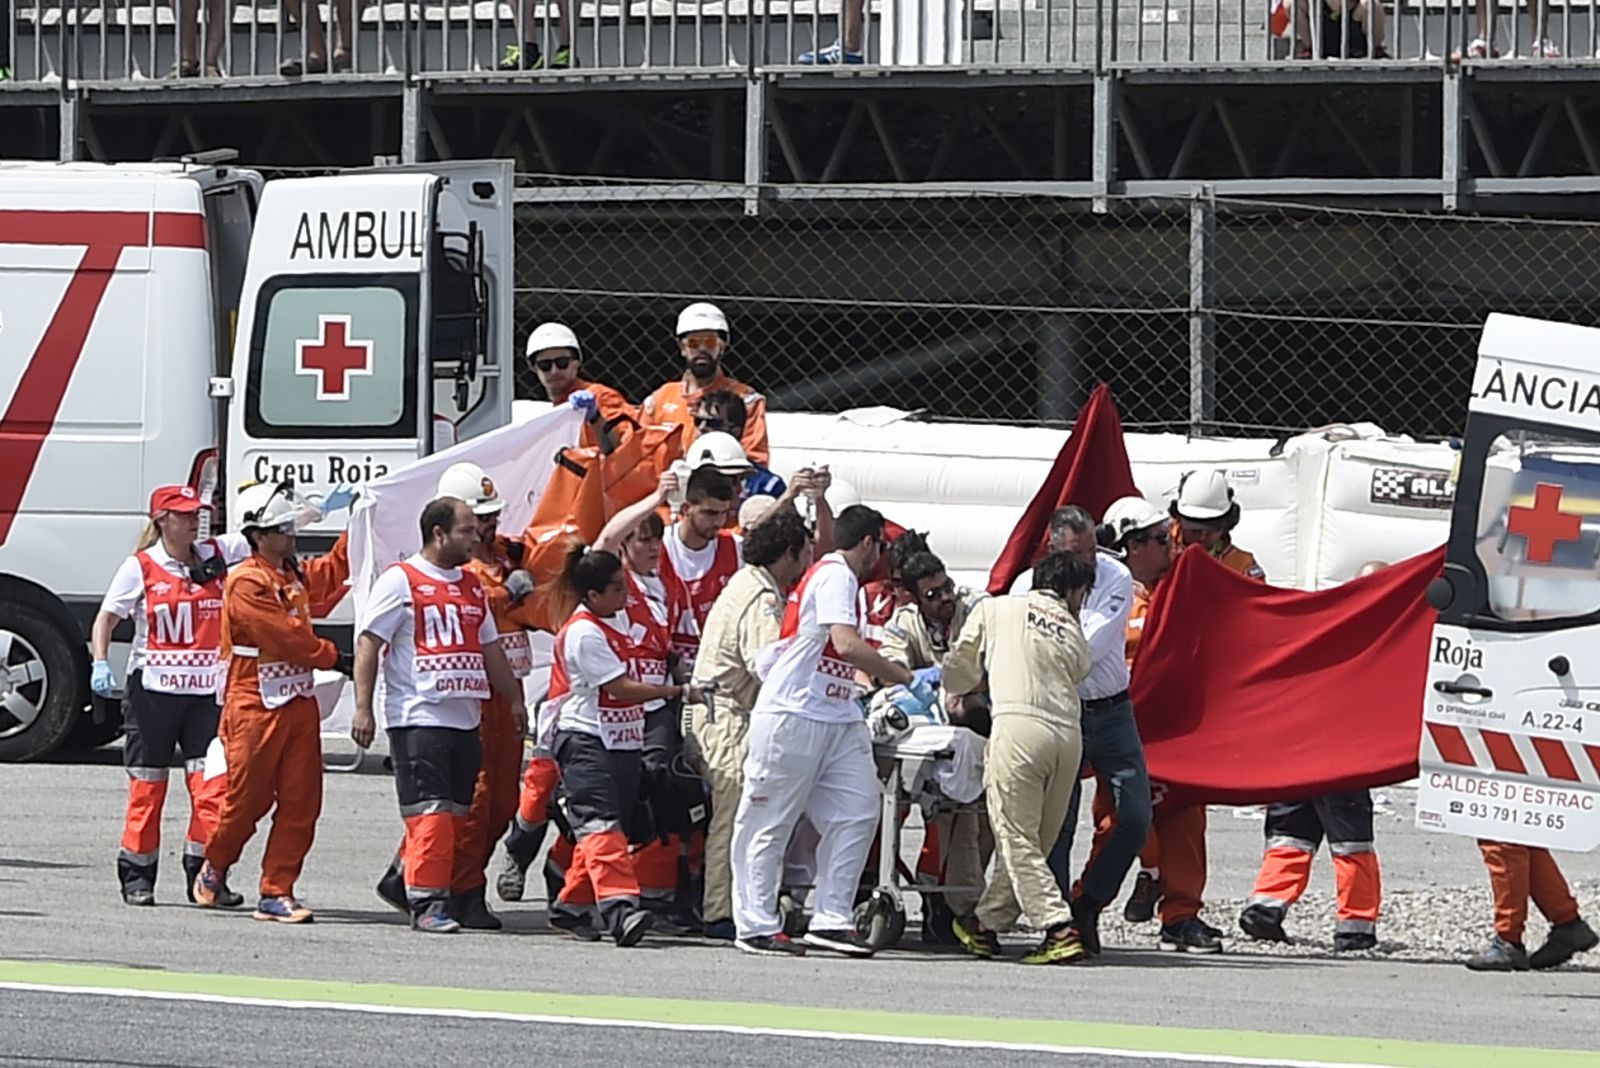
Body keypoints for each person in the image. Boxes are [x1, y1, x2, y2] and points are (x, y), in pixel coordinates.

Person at [729, 505, 931, 958]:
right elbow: (845, 644)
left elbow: (839, 653)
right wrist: (905, 677)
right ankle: (755, 924)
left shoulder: (843, 581)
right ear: (868, 543)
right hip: (794, 713)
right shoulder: (837, 574)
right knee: (769, 820)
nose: (882, 555)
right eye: (880, 545)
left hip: (835, 714)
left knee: (859, 809)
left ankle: (832, 917)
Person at [371, 466, 539, 931]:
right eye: (477, 519)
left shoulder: (504, 557)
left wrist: (518, 697)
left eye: (490, 516)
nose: (488, 526)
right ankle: (456, 891)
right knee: (459, 806)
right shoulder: (442, 573)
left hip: (492, 691)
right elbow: (371, 640)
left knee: (500, 802)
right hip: (449, 701)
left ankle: (412, 876)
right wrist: (508, 592)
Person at [193, 481, 351, 923]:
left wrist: (358, 525)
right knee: (248, 801)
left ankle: (276, 889)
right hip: (253, 703)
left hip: (297, 698)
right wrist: (334, 656)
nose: (292, 534)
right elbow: (283, 636)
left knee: (303, 801)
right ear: (258, 535)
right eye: (282, 528)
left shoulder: (292, 574)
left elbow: (331, 574)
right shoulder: (247, 582)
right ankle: (215, 866)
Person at [91, 485, 251, 907]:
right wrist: (100, 662)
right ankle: (138, 876)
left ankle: (206, 874)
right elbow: (106, 618)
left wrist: (315, 510)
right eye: (182, 515)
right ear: (161, 520)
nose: (192, 520)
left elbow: (263, 532)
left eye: (196, 512)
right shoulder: (140, 566)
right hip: (153, 694)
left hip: (207, 695)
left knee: (211, 788)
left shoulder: (215, 553)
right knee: (148, 787)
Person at [542, 548, 704, 945]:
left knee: (618, 828)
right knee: (600, 825)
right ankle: (621, 910)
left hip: (623, 741)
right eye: (616, 589)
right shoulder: (584, 632)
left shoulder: (620, 621)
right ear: (592, 596)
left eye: (625, 586)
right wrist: (678, 691)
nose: (625, 596)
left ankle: (571, 905)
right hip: (586, 740)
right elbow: (620, 688)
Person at [944, 551, 1097, 965]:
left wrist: (957, 689)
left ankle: (1058, 927)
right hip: (1067, 736)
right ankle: (986, 925)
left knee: (1016, 837)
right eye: (1081, 592)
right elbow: (1082, 669)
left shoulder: (996, 608)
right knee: (1034, 843)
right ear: (1069, 591)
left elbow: (959, 666)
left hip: (1018, 727)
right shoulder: (1071, 628)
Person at [1239, 560, 1386, 953]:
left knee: (1291, 832)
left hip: (1297, 750)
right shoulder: (1384, 640)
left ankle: (1265, 907)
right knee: (1351, 840)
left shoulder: (1325, 623)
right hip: (1342, 757)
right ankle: (1355, 926)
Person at [683, 508, 815, 940]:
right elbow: (768, 665)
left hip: (719, 711)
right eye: (805, 554)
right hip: (727, 719)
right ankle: (720, 910)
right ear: (790, 553)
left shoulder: (746, 583)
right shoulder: (761, 599)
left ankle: (732, 902)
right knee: (736, 814)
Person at [592, 471, 702, 928]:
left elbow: (672, 640)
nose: (653, 549)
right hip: (612, 708)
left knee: (667, 789)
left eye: (658, 541)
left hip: (657, 705)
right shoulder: (612, 578)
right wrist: (656, 497)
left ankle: (659, 890)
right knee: (613, 797)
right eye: (643, 541)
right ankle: (559, 869)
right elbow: (606, 537)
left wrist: (679, 665)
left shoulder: (666, 584)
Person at [1042, 504, 1149, 957]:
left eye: (1090, 549)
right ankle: (1061, 924)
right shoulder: (1032, 582)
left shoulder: (1115, 576)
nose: (1087, 560)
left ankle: (1090, 898)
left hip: (1111, 711)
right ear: (1054, 546)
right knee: (1058, 824)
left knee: (1135, 815)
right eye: (1076, 552)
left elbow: (1089, 645)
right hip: (1062, 710)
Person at [879, 549, 993, 938]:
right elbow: (891, 672)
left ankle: (951, 897)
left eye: (946, 588)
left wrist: (957, 683)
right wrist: (931, 680)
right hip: (933, 732)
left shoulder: (977, 607)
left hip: (982, 722)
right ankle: (937, 896)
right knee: (926, 808)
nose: (945, 598)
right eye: (933, 594)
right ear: (913, 597)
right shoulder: (903, 623)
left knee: (981, 819)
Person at [639, 302, 770, 466]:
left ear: (722, 347)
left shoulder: (746, 400)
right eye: (693, 343)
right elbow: (640, 458)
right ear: (682, 348)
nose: (701, 349)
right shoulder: (658, 400)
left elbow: (756, 463)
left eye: (709, 342)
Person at [659, 467, 744, 673]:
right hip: (664, 669)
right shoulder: (659, 547)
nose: (719, 522)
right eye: (710, 513)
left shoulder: (735, 547)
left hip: (714, 668)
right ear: (687, 508)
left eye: (724, 513)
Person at [527, 321, 631, 454]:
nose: (554, 371)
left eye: (562, 363)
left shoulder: (601, 397)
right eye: (545, 365)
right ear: (534, 368)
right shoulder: (538, 413)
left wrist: (596, 418)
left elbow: (624, 449)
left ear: (577, 363)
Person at [694, 390, 786, 499]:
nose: (701, 428)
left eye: (713, 423)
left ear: (735, 431)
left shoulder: (766, 485)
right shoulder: (683, 473)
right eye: (698, 421)